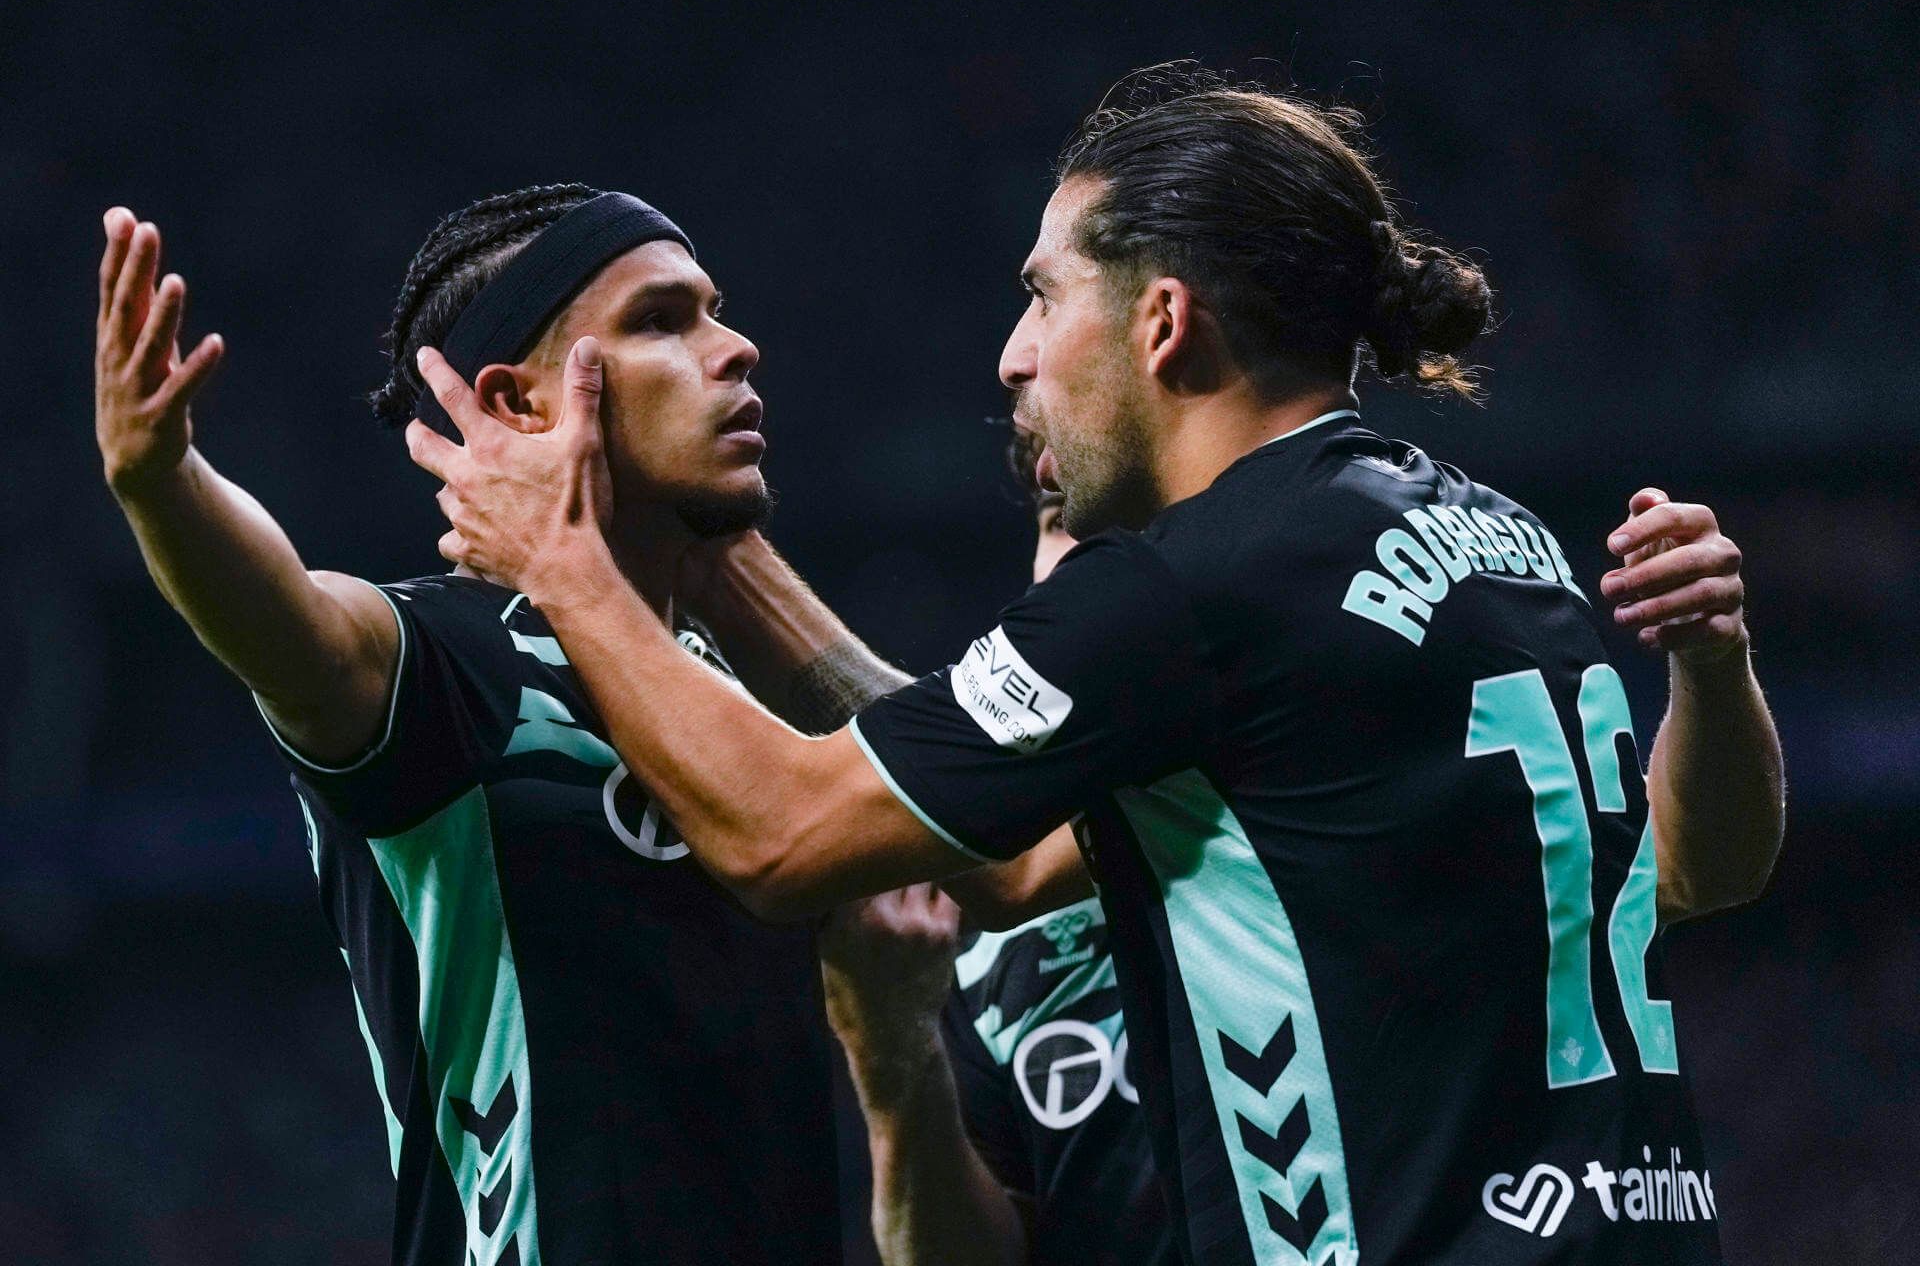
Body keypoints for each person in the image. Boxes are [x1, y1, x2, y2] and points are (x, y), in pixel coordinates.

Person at [412, 73, 1786, 1264]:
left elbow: (782, 834)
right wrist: (1716, 675)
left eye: (1043, 297)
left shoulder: (1193, 588)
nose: (1016, 357)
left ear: (1163, 320)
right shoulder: (1495, 539)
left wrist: (570, 563)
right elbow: (1704, 863)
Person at [91, 187, 862, 1266]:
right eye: (661, 320)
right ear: (520, 403)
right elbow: (291, 627)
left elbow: (963, 790)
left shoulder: (738, 693)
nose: (736, 348)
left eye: (715, 310)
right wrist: (164, 484)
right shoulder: (448, 652)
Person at [822, 439, 1173, 1266]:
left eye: (1127, 528)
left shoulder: (1327, 802)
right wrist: (892, 1046)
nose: (1090, 568)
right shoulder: (974, 952)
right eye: (1061, 521)